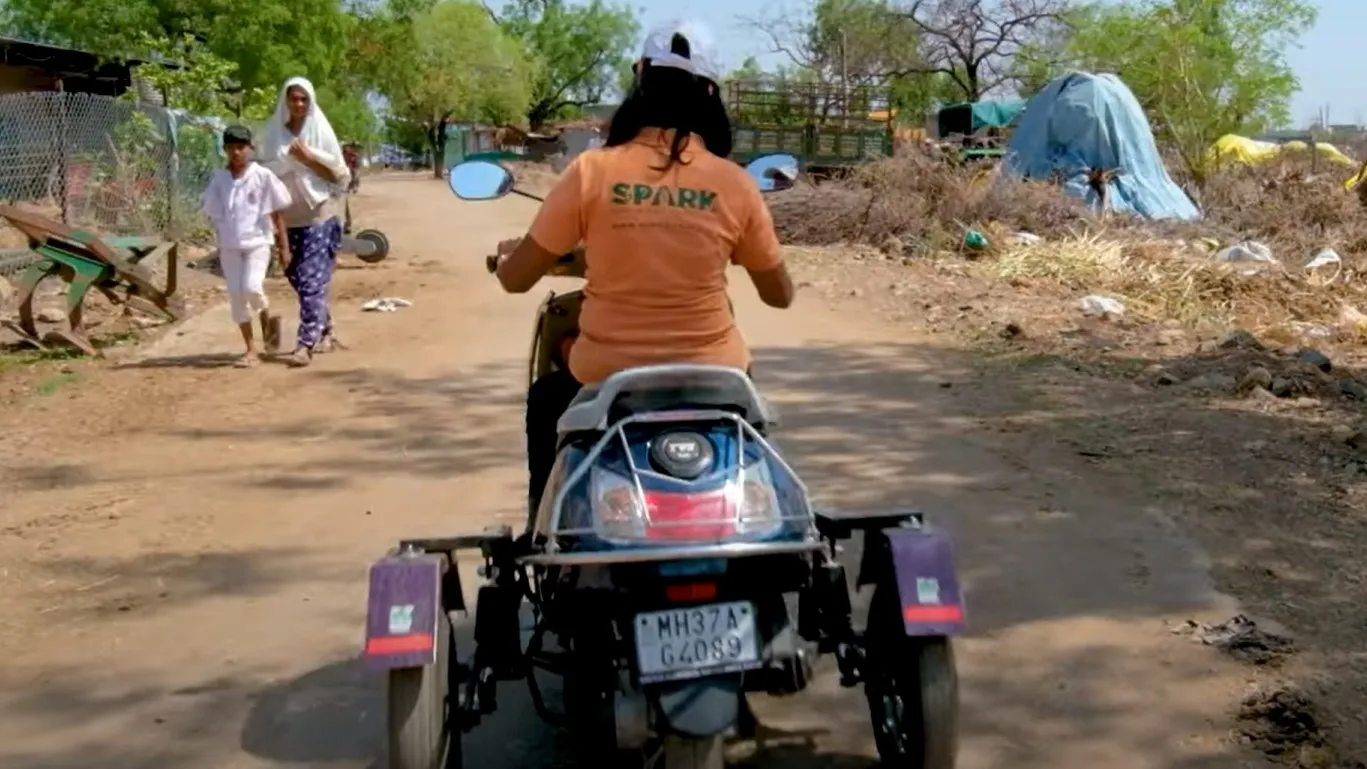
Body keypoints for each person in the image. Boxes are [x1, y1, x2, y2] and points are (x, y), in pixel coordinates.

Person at [490, 20, 796, 517]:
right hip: (715, 378)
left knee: (549, 397)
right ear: (711, 92)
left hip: (608, 381)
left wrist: (517, 258)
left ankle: (540, 538)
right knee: (754, 419)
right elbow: (779, 295)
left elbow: (516, 278)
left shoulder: (592, 171)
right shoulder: (735, 184)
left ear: (641, 79)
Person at [260, 76, 351, 368]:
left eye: (304, 99)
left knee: (312, 280)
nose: (298, 104)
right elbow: (265, 178)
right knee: (298, 279)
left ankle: (305, 343)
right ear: (285, 101)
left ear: (310, 102)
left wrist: (308, 158)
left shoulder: (320, 133)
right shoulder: (273, 135)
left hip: (320, 213)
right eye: (293, 98)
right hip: (287, 217)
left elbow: (338, 175)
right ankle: (325, 327)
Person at [200, 125, 292, 368]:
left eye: (240, 147)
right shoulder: (219, 179)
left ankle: (266, 317)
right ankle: (251, 349)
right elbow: (213, 210)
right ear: (225, 150)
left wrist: (284, 247)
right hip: (230, 245)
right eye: (231, 148)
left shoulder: (262, 176)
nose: (236, 153)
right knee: (236, 295)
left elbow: (277, 211)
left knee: (252, 287)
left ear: (250, 148)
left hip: (258, 242)